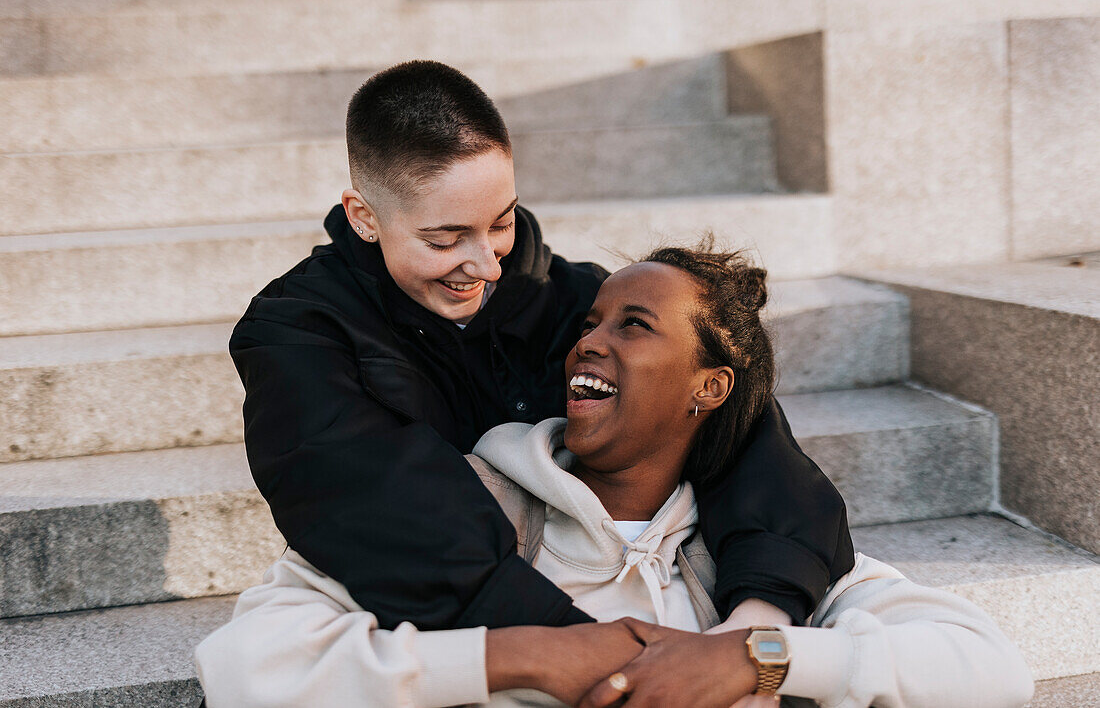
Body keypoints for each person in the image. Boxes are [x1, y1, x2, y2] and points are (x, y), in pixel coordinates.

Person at [195, 245, 1034, 708]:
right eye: (589, 322)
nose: (588, 341)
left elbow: (991, 668)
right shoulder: (471, 513)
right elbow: (245, 667)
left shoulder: (743, 554)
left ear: (710, 388)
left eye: (634, 325)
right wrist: (522, 656)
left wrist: (754, 656)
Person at [227, 58, 853, 636]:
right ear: (363, 216)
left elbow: (751, 446)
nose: (485, 266)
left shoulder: (581, 306)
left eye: (499, 223)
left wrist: (756, 623)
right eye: (445, 240)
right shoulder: (296, 333)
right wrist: (583, 648)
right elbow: (373, 509)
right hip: (457, 629)